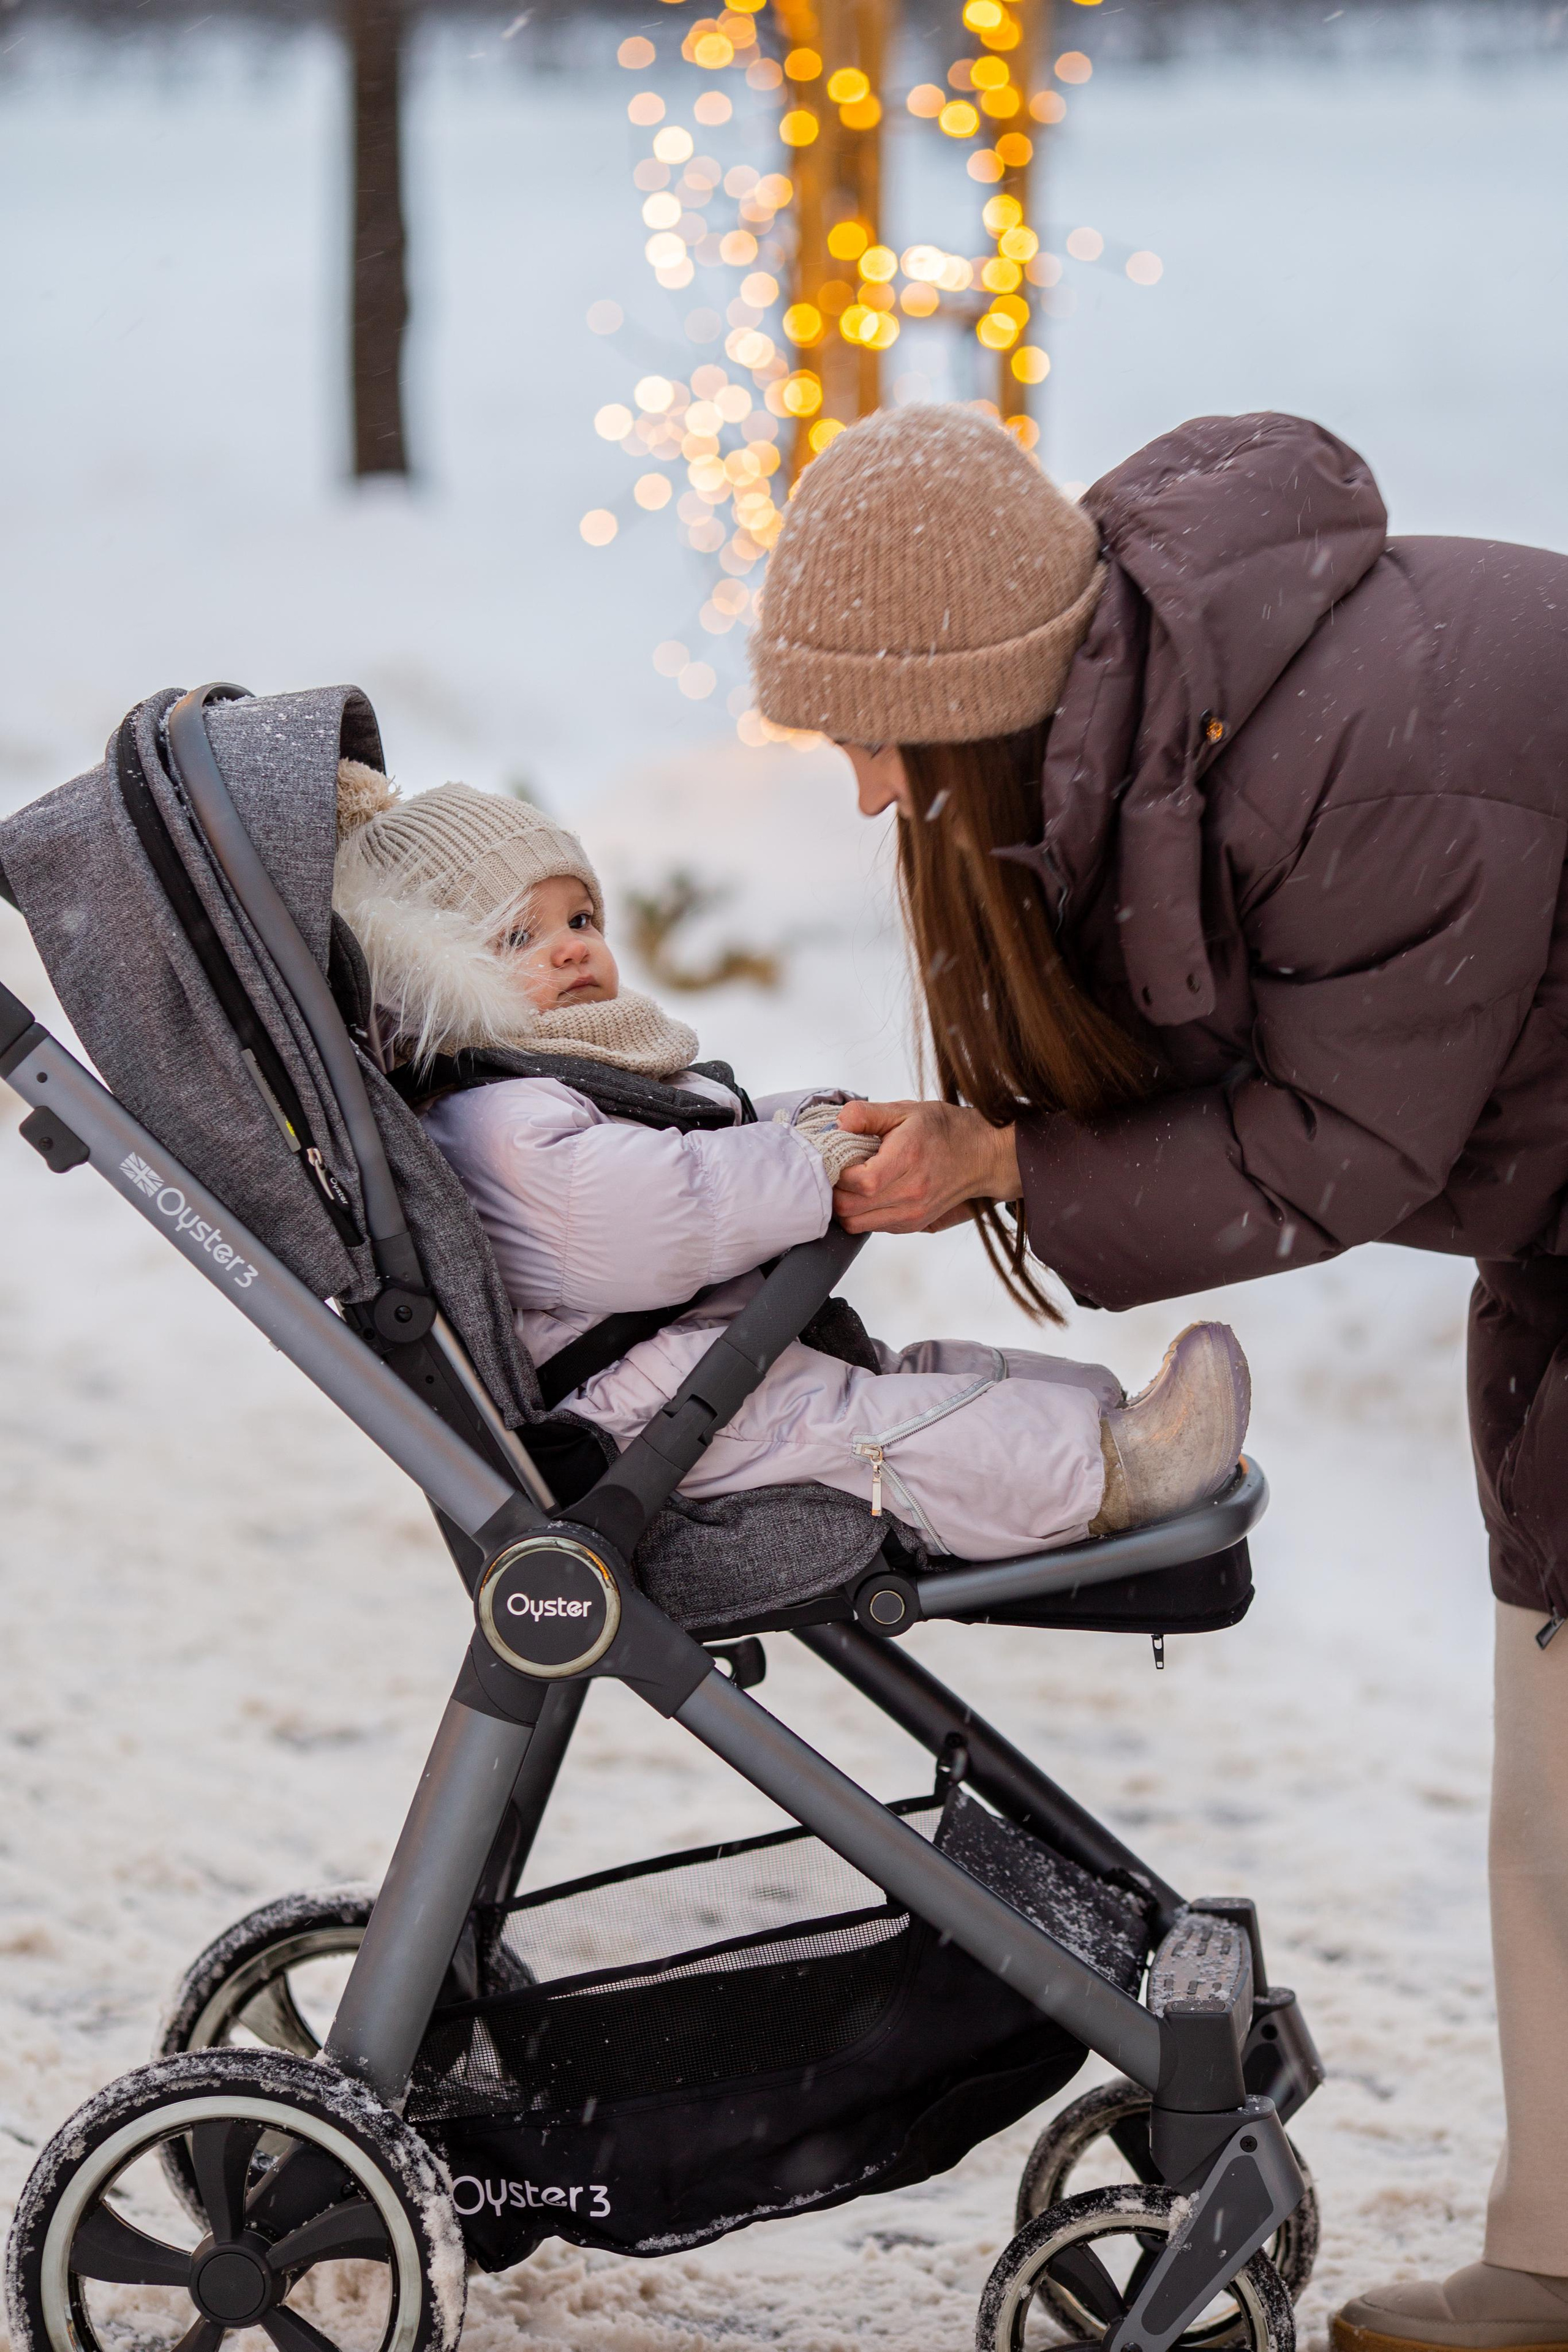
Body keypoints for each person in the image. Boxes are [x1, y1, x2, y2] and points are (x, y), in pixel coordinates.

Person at [750, 401, 1568, 2349]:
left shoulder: (1370, 759)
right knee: (1554, 1734)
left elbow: (1336, 1141)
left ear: (973, 697)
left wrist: (1016, 1165)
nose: (865, 795)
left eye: (872, 736)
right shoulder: (1180, 735)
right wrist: (998, 1148)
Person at [331, 765, 1250, 1560]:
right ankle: (1114, 1473)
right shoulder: (490, 1123)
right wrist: (806, 1164)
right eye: (517, 938)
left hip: (696, 1365)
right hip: (639, 1419)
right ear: (435, 979)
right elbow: (655, 1209)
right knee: (869, 1428)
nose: (573, 945)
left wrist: (825, 1124)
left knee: (895, 1375)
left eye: (579, 915)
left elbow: (711, 1138)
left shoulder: (563, 1076)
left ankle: (1110, 1416)